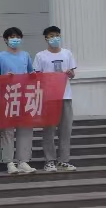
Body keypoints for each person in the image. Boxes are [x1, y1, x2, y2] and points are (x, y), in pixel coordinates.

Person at [34, 26, 77, 172]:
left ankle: (64, 160)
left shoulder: (67, 53)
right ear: (46, 38)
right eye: (52, 36)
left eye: (57, 35)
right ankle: (50, 161)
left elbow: (72, 74)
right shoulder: (41, 56)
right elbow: (36, 76)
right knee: (49, 130)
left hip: (65, 96)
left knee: (65, 130)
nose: (55, 38)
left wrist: (70, 73)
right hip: (49, 98)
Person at [0, 27, 36, 175]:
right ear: (6, 40)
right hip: (7, 97)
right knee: (7, 131)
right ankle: (9, 162)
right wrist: (4, 77)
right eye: (12, 37)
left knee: (25, 129)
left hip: (24, 96)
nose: (15, 39)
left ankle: (23, 161)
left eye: (17, 37)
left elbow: (32, 74)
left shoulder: (26, 55)